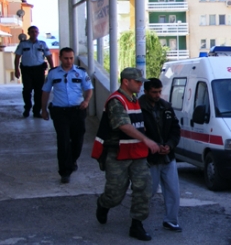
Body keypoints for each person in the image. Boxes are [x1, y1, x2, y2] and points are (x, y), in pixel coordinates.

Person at [91, 67, 160, 241]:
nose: (140, 85)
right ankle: (104, 204)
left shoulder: (134, 99)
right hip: (118, 155)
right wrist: (146, 140)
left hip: (137, 154)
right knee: (115, 195)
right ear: (126, 82)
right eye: (137, 82)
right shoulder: (116, 100)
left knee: (143, 189)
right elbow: (123, 125)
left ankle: (137, 225)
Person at [41, 47, 93, 184]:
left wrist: (86, 101)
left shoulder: (80, 72)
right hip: (60, 112)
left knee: (78, 140)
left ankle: (72, 160)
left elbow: (89, 88)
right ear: (60, 58)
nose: (69, 61)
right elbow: (45, 91)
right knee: (63, 141)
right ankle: (65, 171)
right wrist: (43, 109)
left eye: (71, 58)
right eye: (66, 58)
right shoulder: (53, 73)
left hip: (77, 111)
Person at [138, 78, 182, 233]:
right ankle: (137, 222)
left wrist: (169, 145)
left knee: (173, 191)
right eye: (154, 92)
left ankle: (171, 220)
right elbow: (137, 134)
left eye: (159, 91)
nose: (157, 95)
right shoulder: (138, 108)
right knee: (147, 192)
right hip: (149, 158)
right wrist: (154, 146)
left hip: (167, 156)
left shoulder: (166, 107)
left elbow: (175, 130)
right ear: (146, 92)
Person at [14, 26, 54, 118]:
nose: (34, 33)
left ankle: (36, 111)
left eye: (36, 32)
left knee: (39, 91)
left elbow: (49, 56)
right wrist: (16, 69)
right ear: (28, 33)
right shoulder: (23, 44)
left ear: (38, 33)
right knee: (27, 90)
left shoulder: (42, 44)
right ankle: (27, 108)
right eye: (32, 32)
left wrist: (52, 69)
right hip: (27, 70)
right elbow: (17, 57)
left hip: (39, 70)